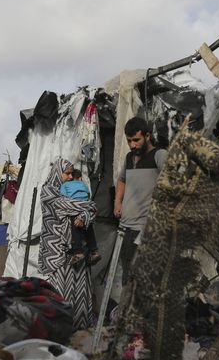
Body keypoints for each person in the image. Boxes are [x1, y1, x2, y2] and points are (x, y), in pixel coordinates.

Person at [38, 158, 98, 329]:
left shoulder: (71, 190)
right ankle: (59, 328)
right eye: (67, 173)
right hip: (57, 251)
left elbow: (87, 210)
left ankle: (79, 326)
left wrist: (86, 214)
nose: (71, 177)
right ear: (58, 173)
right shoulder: (48, 192)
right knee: (59, 292)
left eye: (72, 173)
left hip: (78, 249)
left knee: (79, 288)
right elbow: (74, 206)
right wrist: (89, 209)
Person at [113, 117, 167, 277]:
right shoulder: (129, 158)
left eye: (136, 140)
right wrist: (117, 202)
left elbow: (172, 184)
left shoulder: (159, 155)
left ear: (147, 136)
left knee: (145, 280)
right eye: (129, 141)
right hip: (125, 230)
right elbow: (122, 180)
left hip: (145, 231)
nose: (132, 145)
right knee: (127, 278)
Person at [59, 167, 101, 265]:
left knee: (76, 228)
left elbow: (63, 198)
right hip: (85, 208)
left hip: (75, 209)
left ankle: (78, 252)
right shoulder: (84, 185)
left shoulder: (65, 185)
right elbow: (88, 196)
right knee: (89, 227)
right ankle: (94, 251)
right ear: (80, 178)